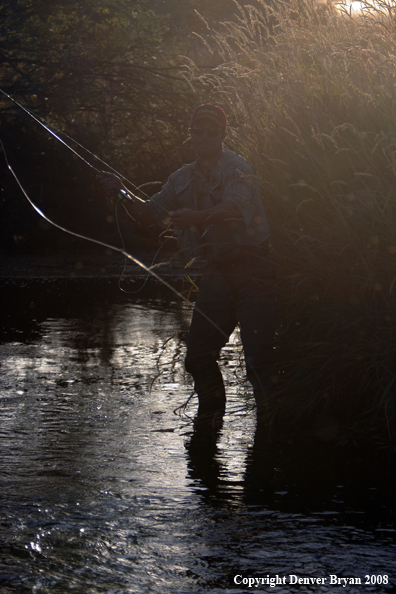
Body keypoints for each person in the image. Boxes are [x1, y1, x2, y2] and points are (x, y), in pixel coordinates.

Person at [98, 103, 276, 423]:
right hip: (216, 273)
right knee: (197, 358)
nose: (204, 136)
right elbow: (148, 214)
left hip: (253, 270)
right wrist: (120, 192)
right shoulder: (180, 178)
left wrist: (196, 217)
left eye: (212, 131)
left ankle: (272, 427)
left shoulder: (239, 168)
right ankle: (210, 420)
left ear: (223, 134)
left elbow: (235, 209)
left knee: (259, 362)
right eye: (198, 131)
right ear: (190, 134)